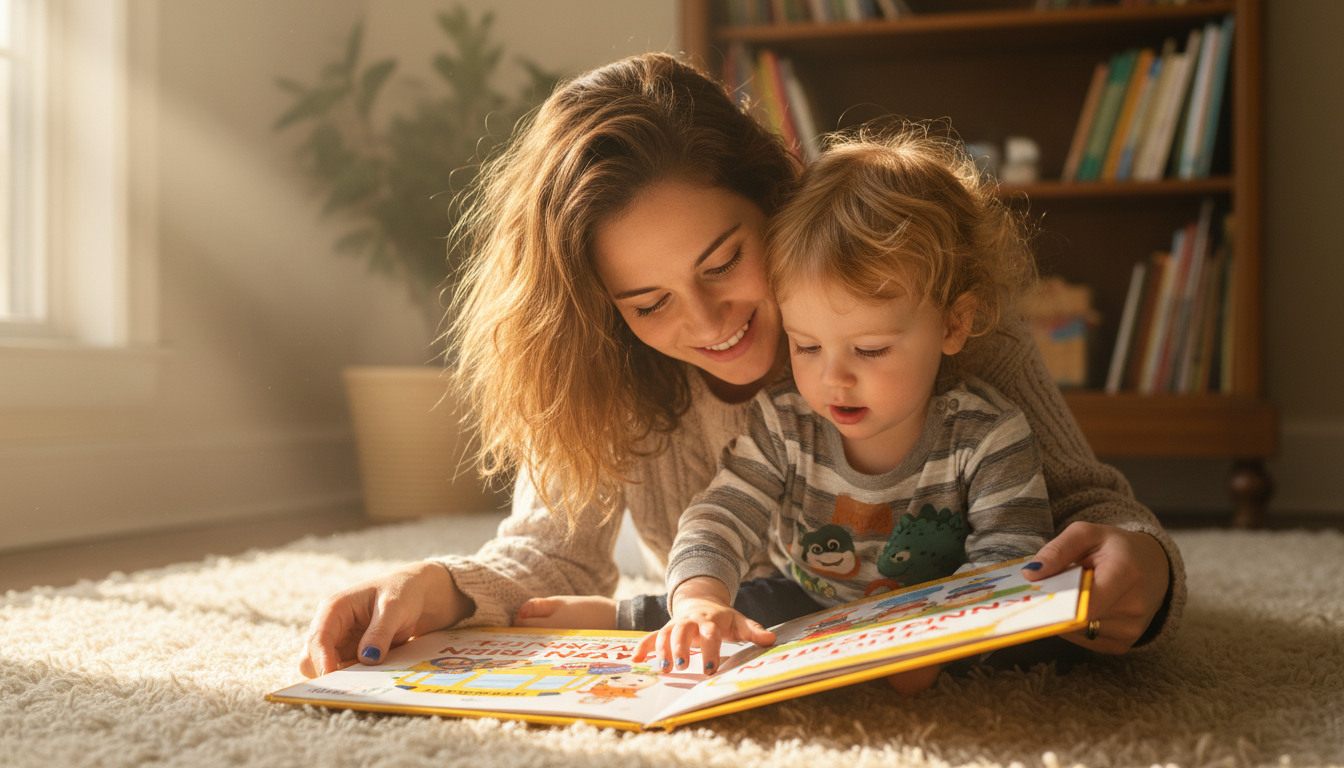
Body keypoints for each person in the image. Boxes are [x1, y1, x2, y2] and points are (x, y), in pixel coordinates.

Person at [297, 53, 1183, 682]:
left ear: (776, 201)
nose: (707, 321)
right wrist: (434, 586)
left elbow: (1090, 508)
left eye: (722, 263)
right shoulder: (608, 369)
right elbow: (552, 557)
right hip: (749, 607)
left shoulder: (910, 296)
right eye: (649, 303)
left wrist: (1139, 567)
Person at [620, 128, 1057, 684]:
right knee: (725, 617)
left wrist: (938, 640)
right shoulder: (785, 422)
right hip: (806, 600)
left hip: (933, 614)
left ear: (954, 323)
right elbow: (723, 512)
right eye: (805, 346)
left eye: (870, 349)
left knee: (1053, 639)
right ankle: (614, 615)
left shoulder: (987, 434)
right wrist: (699, 597)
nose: (833, 378)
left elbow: (1012, 555)